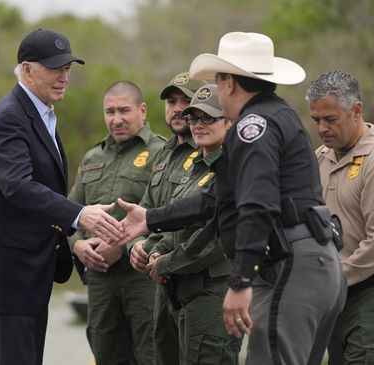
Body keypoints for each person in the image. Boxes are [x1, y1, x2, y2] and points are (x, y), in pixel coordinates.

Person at [116, 32, 347, 365]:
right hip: (314, 262)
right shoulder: (275, 115)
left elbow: (257, 206)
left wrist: (239, 282)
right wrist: (150, 218)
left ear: (228, 82)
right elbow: (216, 199)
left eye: (217, 79)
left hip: (291, 265)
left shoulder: (253, 126)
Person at [0, 29, 122, 365]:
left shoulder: (43, 114)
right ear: (26, 69)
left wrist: (75, 236)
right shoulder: (9, 117)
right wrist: (79, 215)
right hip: (4, 278)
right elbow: (17, 187)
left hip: (28, 276)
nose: (64, 77)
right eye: (54, 68)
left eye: (68, 68)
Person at [307, 70, 374, 364]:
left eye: (330, 119)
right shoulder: (322, 156)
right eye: (316, 120)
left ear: (356, 110)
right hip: (336, 294)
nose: (322, 128)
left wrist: (332, 278)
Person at [67, 81, 165, 364]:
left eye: (124, 110)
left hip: (142, 276)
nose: (116, 119)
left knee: (150, 353)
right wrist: (78, 246)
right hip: (100, 281)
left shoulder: (163, 152)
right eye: (110, 111)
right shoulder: (92, 158)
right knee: (105, 352)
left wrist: (121, 246)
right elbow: (70, 212)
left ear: (143, 111)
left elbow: (167, 212)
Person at [146, 84, 241, 364]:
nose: (198, 125)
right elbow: (179, 224)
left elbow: (216, 239)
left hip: (214, 292)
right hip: (179, 292)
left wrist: (164, 263)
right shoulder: (193, 166)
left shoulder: (233, 167)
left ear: (230, 121)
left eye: (208, 118)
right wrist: (157, 250)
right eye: (193, 118)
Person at [127, 71, 205, 365]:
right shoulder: (163, 153)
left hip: (198, 281)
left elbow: (202, 221)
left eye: (187, 101)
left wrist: (155, 249)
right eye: (171, 101)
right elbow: (146, 210)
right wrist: (135, 245)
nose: (177, 108)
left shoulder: (210, 152)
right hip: (161, 286)